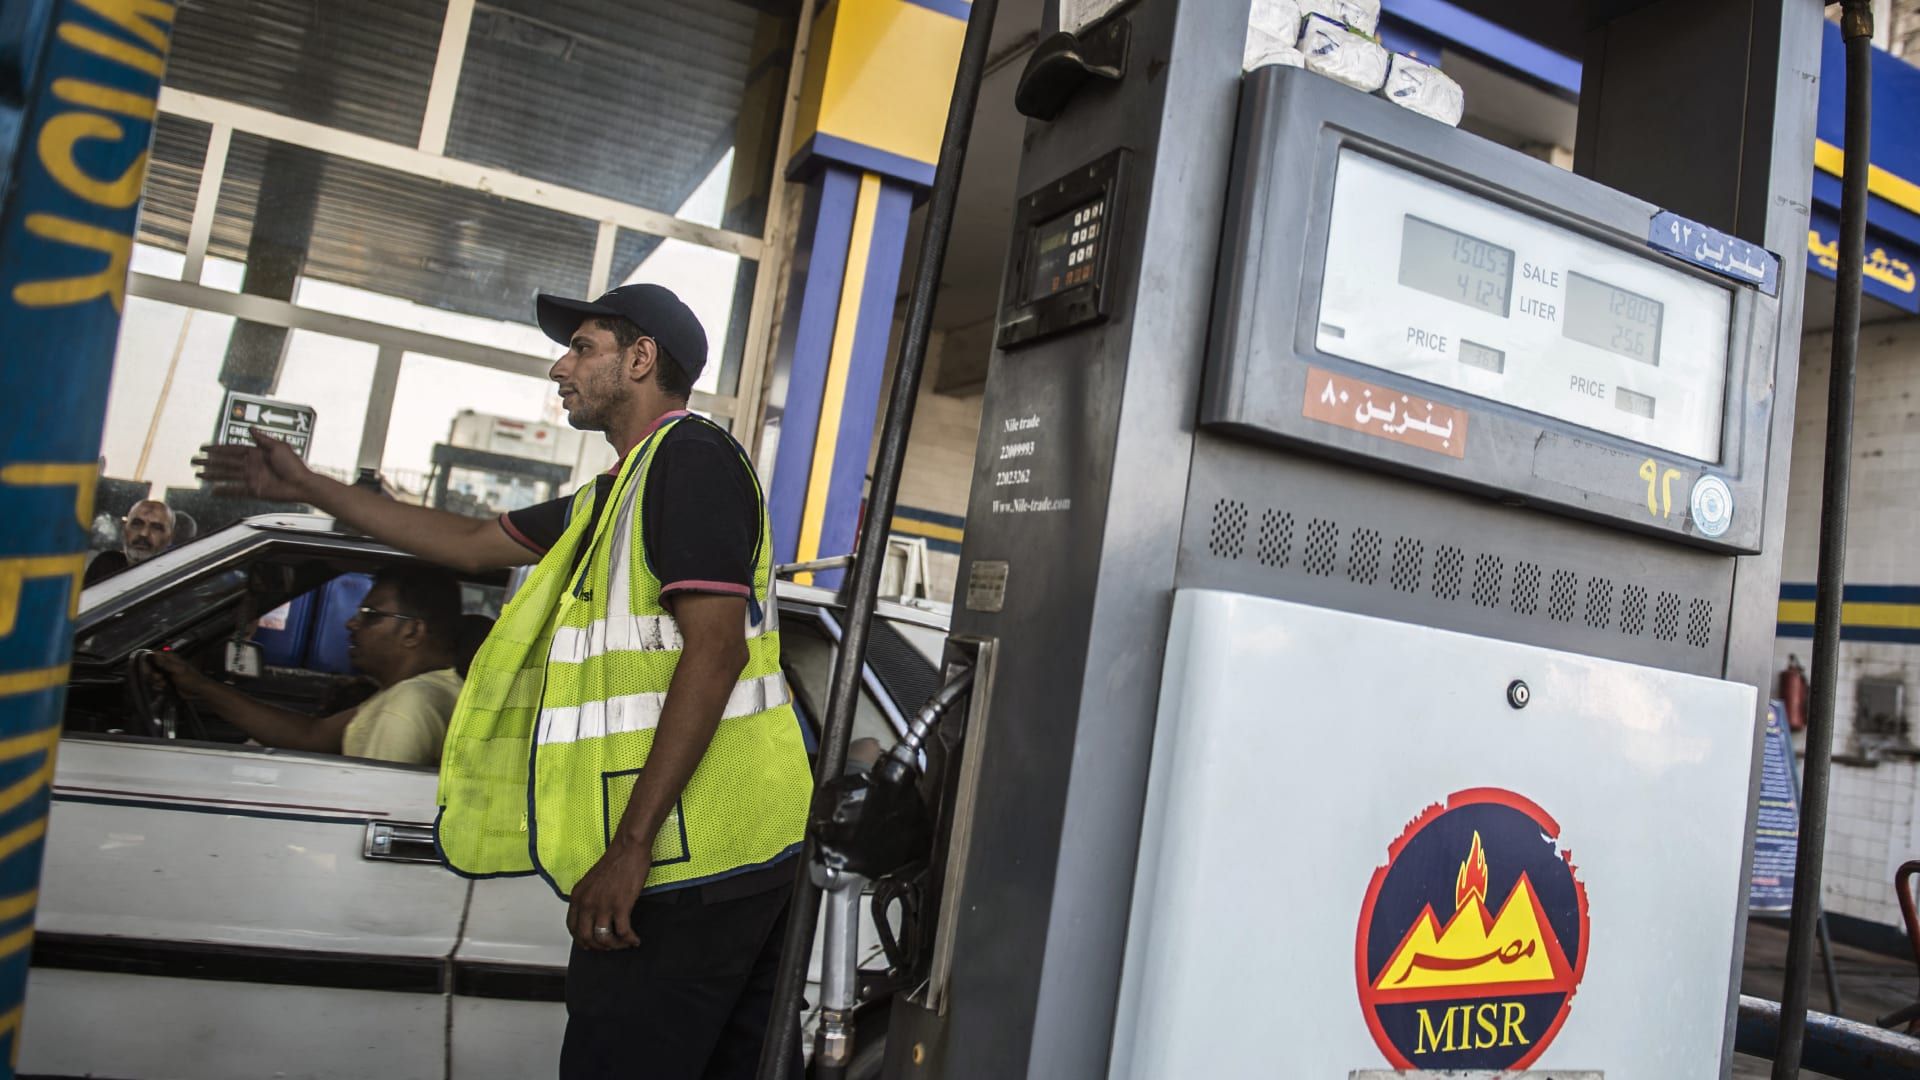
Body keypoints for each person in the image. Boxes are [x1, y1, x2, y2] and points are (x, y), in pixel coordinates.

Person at [195, 283, 811, 1079]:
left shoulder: (688, 460)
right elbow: (470, 542)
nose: (560, 367)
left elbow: (716, 653)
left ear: (640, 359)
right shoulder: (616, 493)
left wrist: (630, 849)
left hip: (687, 864)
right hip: (729, 853)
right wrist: (309, 486)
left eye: (581, 348)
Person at [149, 565, 465, 765]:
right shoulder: (427, 690)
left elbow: (369, 815)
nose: (352, 623)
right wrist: (200, 686)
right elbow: (311, 735)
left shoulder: (406, 707)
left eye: (370, 615)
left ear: (413, 631)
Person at [83, 499, 175, 586]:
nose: (144, 533)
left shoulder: (175, 577)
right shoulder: (105, 565)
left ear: (170, 537)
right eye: (137, 524)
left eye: (156, 527)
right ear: (124, 529)